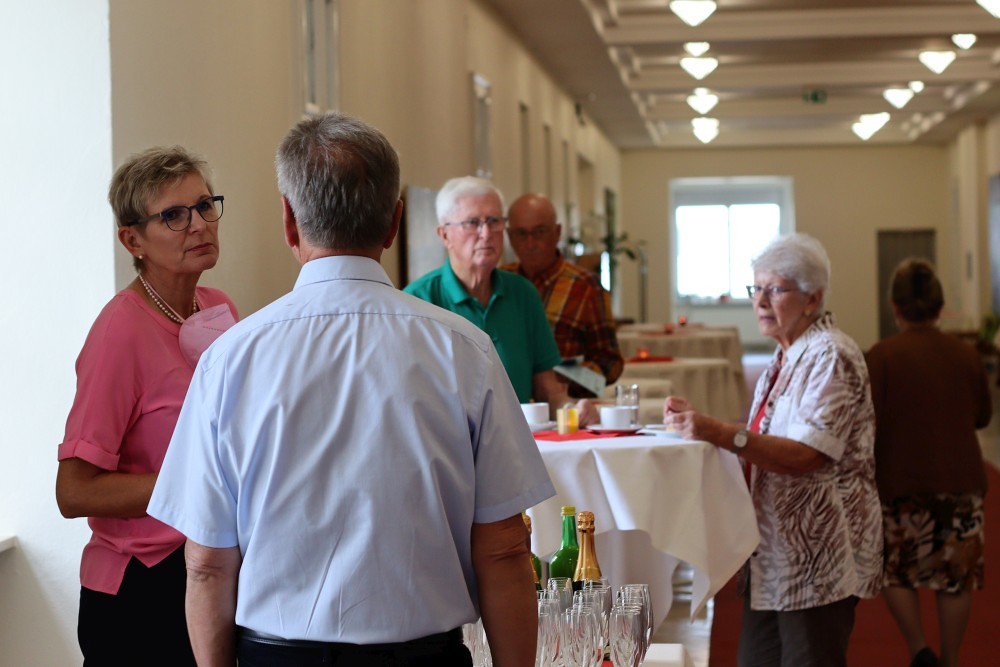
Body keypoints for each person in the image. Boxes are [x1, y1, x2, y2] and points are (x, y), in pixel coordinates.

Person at [146, 112, 555, 667]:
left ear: (289, 222)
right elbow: (504, 549)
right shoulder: (465, 350)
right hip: (422, 659)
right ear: (394, 223)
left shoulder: (230, 359)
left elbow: (207, 564)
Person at [662, 233, 882, 667]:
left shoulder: (831, 355)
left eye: (775, 289)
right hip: (773, 552)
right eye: (756, 288)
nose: (760, 301)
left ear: (812, 299)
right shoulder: (785, 357)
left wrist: (719, 431)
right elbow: (766, 440)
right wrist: (704, 427)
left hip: (818, 556)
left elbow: (805, 454)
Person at [55, 146, 238, 665]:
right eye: (174, 215)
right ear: (132, 240)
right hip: (141, 590)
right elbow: (74, 491)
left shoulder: (218, 306)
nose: (198, 224)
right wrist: (193, 481)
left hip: (211, 565)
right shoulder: (120, 330)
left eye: (204, 206)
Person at [866, 259, 991, 667]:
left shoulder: (882, 356)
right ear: (940, 307)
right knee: (955, 579)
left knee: (893, 570)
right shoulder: (966, 355)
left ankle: (919, 649)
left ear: (894, 306)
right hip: (960, 480)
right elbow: (982, 416)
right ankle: (950, 660)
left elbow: (868, 422)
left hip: (900, 481)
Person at [404, 177, 598, 426]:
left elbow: (548, 390)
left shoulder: (523, 294)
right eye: (472, 223)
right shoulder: (417, 301)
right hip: (450, 444)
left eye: (494, 221)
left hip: (519, 441)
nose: (486, 234)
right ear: (444, 234)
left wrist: (572, 409)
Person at [503, 193, 623, 397]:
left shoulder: (586, 286)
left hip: (567, 407)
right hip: (507, 405)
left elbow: (610, 365)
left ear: (557, 233)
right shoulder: (500, 282)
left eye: (539, 232)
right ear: (509, 237)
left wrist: (559, 373)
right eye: (521, 234)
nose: (530, 243)